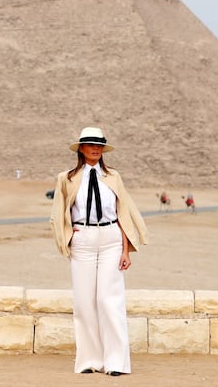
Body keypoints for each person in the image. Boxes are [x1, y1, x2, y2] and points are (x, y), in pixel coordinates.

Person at [49, 126, 148, 376]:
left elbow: (122, 213)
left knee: (109, 300)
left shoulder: (114, 176)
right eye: (91, 144)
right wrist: (68, 239)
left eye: (99, 145)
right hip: (82, 239)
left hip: (111, 240)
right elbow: (58, 214)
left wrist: (126, 250)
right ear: (81, 148)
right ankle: (90, 361)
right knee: (84, 302)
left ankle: (116, 362)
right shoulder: (66, 178)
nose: (95, 148)